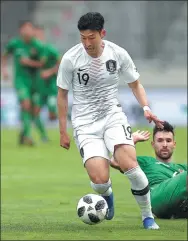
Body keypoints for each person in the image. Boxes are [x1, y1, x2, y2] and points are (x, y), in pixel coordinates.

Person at [57, 12, 164, 229]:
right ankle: (107, 194)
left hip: (112, 116)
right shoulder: (71, 59)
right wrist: (63, 131)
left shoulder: (118, 54)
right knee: (99, 181)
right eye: (82, 38)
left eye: (91, 37)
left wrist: (146, 107)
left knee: (131, 166)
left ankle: (147, 216)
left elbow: (135, 84)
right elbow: (62, 95)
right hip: (85, 124)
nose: (86, 43)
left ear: (102, 33)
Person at [110, 122, 188, 219]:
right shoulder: (146, 162)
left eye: (168, 141)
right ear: (153, 144)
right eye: (160, 141)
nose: (164, 144)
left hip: (176, 201)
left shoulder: (182, 167)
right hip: (156, 196)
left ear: (174, 144)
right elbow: (114, 161)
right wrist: (130, 142)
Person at [1, 21, 46, 145]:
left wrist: (29, 63)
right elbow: (4, 56)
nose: (27, 31)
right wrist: (4, 70)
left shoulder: (37, 45)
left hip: (35, 82)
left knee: (32, 110)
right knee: (26, 104)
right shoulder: (15, 43)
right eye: (25, 28)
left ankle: (24, 133)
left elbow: (43, 63)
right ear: (21, 30)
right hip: (20, 81)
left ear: (32, 31)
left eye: (29, 28)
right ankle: (27, 137)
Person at [33, 25, 61, 122]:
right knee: (34, 112)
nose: (37, 37)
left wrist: (50, 72)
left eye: (38, 34)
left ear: (42, 35)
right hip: (38, 87)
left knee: (52, 110)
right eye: (35, 35)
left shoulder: (50, 49)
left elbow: (62, 63)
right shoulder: (32, 51)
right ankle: (42, 136)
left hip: (50, 86)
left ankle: (64, 117)